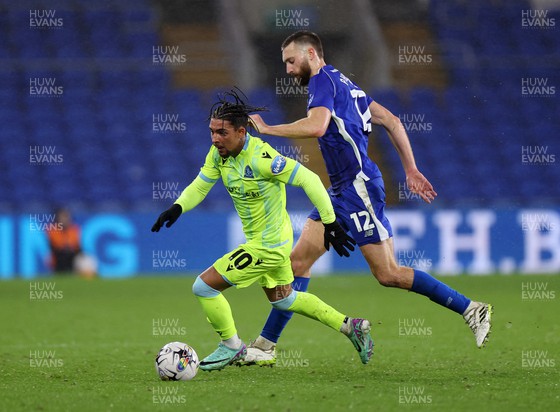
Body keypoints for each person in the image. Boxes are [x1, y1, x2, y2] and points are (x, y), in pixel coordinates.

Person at [245, 31, 492, 366]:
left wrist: (268, 129)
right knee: (296, 263)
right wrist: (411, 169)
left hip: (358, 188)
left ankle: (470, 309)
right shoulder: (346, 84)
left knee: (388, 273)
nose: (288, 70)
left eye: (291, 61)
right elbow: (392, 120)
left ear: (311, 54)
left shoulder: (322, 82)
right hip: (341, 191)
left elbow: (317, 127)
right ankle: (264, 346)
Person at [151, 90, 374, 371]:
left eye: (222, 132)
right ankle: (351, 327)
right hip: (267, 242)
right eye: (212, 132)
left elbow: (311, 179)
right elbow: (201, 184)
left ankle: (231, 346)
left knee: (204, 287)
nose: (215, 139)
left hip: (268, 246)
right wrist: (178, 207)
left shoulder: (263, 158)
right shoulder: (218, 155)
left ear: (242, 132)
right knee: (286, 301)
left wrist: (330, 222)